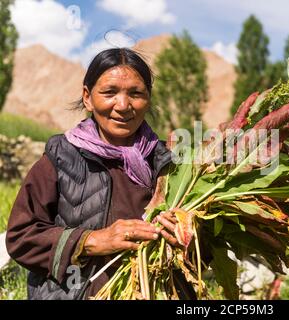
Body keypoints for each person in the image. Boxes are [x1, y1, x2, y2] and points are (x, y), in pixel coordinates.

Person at [5, 48, 194, 300]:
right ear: (87, 97)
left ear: (148, 99)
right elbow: (21, 237)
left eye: (136, 93)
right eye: (109, 92)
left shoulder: (172, 164)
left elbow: (205, 252)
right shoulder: (61, 157)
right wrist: (92, 241)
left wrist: (187, 232)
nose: (124, 105)